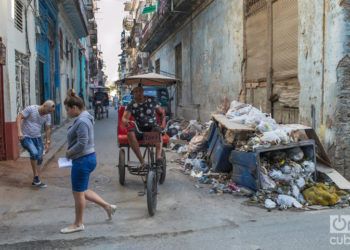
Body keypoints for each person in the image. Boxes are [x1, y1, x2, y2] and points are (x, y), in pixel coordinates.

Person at [61, 89, 116, 234]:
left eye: (68, 110)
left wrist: (69, 152)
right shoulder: (84, 118)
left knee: (78, 193)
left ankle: (78, 223)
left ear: (75, 108)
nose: (67, 112)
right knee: (83, 190)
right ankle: (107, 207)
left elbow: (82, 143)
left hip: (82, 160)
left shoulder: (82, 121)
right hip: (87, 158)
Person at [122, 83, 166, 168]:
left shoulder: (152, 100)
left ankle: (158, 157)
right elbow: (124, 118)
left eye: (140, 91)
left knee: (158, 130)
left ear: (143, 92)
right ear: (133, 93)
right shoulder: (131, 104)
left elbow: (161, 112)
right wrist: (127, 121)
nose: (139, 93)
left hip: (152, 128)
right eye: (136, 91)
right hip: (139, 130)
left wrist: (162, 121)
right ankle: (142, 161)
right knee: (130, 133)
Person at [16, 100, 55, 188]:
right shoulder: (31, 109)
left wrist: (48, 142)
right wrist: (19, 132)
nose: (48, 114)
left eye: (50, 112)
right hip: (26, 137)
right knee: (34, 153)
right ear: (44, 105)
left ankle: (36, 178)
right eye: (48, 111)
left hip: (37, 137)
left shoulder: (47, 115)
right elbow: (19, 117)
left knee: (40, 157)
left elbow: (48, 129)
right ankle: (36, 177)